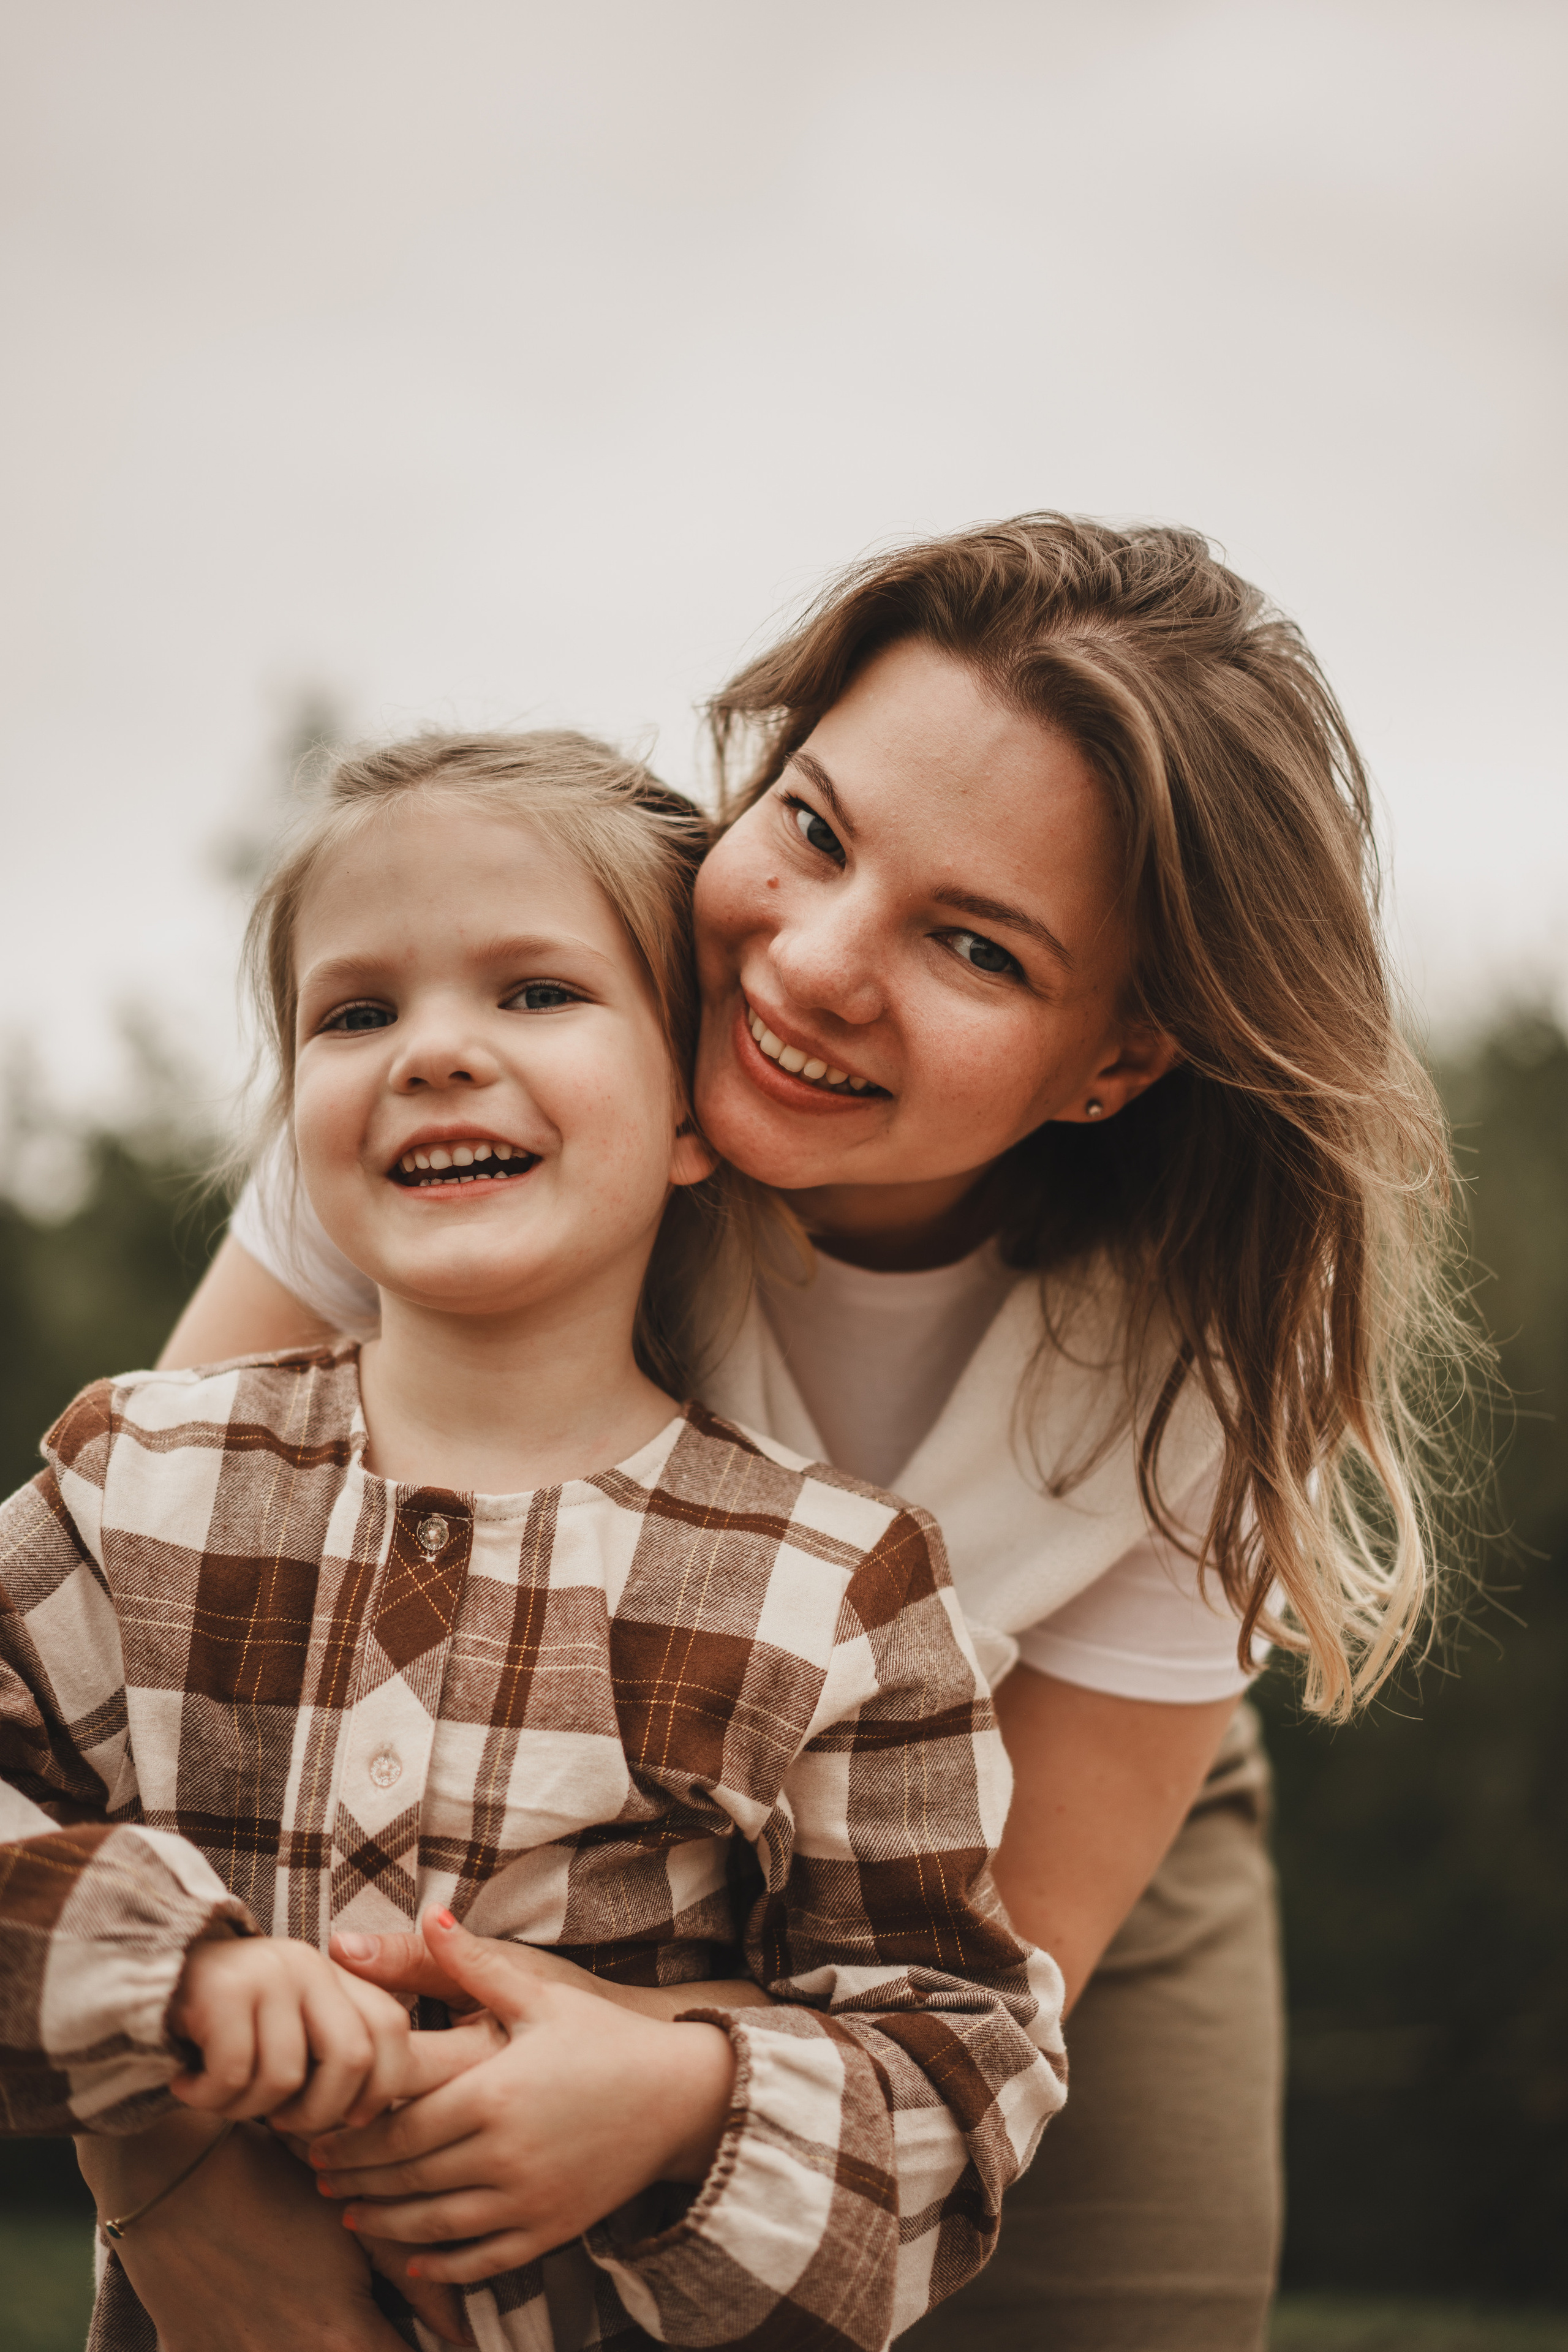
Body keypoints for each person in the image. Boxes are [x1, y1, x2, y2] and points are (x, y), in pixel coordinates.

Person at [163, 516, 1476, 2352]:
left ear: (1119, 1062)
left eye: (978, 948)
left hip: (1004, 1849)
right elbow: (141, 1652)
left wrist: (682, 2077)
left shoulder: (1202, 1364)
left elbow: (972, 2007)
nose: (815, 963)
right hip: (486, 1806)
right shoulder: (482, 1090)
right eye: (814, 827)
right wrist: (179, 2167)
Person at [0, 729, 1066, 2352]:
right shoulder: (135, 1478)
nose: (434, 1052)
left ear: (696, 1107)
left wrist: (671, 2108)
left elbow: (960, 2071)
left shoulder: (838, 1585)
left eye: (533, 993)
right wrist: (174, 1971)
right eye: (358, 1013)